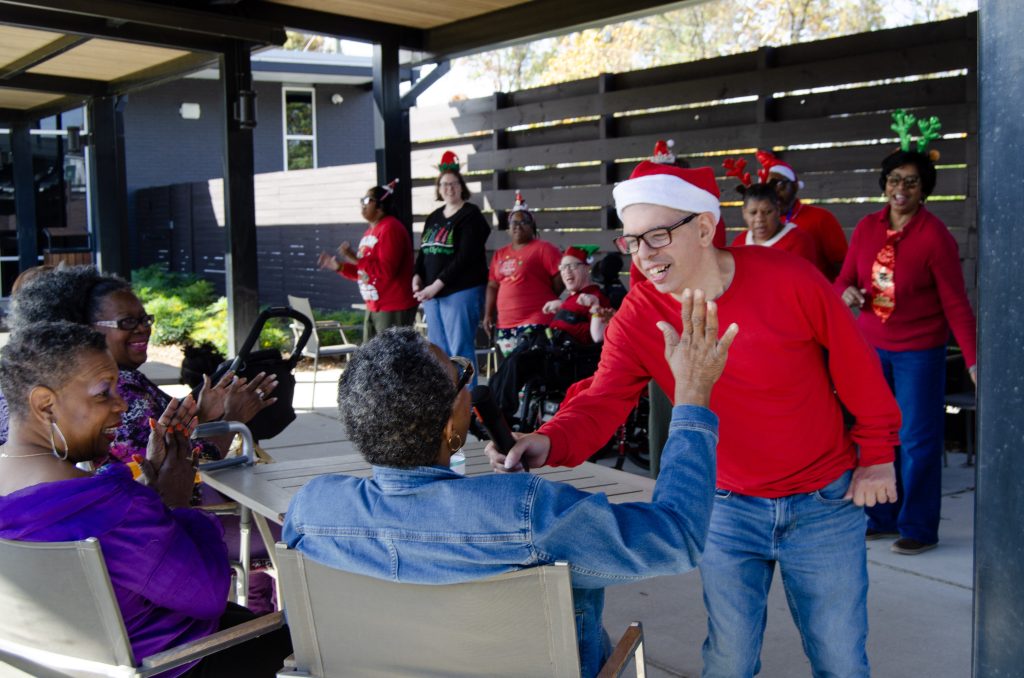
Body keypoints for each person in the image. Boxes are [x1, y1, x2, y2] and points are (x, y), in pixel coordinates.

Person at [489, 160, 902, 677]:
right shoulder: (640, 314)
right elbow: (602, 398)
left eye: (658, 235)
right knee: (728, 658)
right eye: (633, 240)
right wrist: (547, 441)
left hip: (823, 500)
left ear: (704, 228)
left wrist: (878, 456)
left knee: (839, 655)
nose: (644, 254)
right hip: (725, 505)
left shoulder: (789, 276)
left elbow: (856, 365)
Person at [284, 305, 734, 678]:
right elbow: (677, 538)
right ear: (451, 427)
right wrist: (693, 399)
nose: (468, 377)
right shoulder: (525, 514)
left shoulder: (312, 508)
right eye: (461, 376)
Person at [0, 322, 292, 678]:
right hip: (166, 664)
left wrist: (148, 484)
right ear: (45, 404)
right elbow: (207, 595)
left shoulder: (93, 500)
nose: (120, 404)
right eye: (103, 393)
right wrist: (174, 504)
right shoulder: (111, 506)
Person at [836, 142, 977, 556]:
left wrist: (972, 360)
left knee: (918, 440)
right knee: (877, 434)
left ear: (924, 190)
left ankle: (918, 526)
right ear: (885, 185)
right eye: (895, 180)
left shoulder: (935, 238)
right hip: (871, 348)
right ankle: (881, 517)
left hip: (919, 352)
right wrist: (843, 291)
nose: (901, 189)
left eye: (911, 182)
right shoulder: (865, 228)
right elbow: (840, 280)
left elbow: (956, 304)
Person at [4, 266, 274, 464]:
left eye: (145, 320)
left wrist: (200, 415)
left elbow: (153, 443)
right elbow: (183, 467)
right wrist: (233, 418)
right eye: (127, 322)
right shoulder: (120, 389)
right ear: (83, 329)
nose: (143, 329)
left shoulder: (58, 384)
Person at [413, 151, 490, 386]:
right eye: (444, 184)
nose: (449, 188)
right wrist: (417, 277)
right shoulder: (434, 217)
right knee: (438, 350)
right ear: (439, 188)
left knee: (460, 348)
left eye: (454, 183)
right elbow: (424, 251)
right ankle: (446, 401)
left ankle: (468, 403)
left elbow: (465, 257)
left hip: (460, 291)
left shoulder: (471, 215)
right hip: (432, 294)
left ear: (461, 186)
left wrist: (435, 286)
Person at [319, 179, 417, 342]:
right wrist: (339, 267)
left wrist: (355, 259)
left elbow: (386, 271)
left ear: (380, 206)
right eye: (362, 200)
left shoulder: (391, 228)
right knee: (372, 361)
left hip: (393, 306)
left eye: (367, 200)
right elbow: (365, 272)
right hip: (374, 306)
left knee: (390, 361)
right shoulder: (370, 232)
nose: (362, 204)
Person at [483, 192, 563, 356]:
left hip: (536, 320)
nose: (518, 225)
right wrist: (488, 314)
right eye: (514, 222)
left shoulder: (543, 248)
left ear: (532, 227)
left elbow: (560, 277)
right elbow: (493, 285)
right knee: (511, 372)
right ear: (508, 228)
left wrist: (544, 296)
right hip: (505, 323)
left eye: (524, 222)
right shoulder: (500, 254)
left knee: (532, 369)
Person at [756, 150, 848, 281]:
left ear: (794, 186)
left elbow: (843, 267)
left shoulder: (821, 218)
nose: (774, 192)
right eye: (767, 187)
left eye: (780, 185)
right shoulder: (759, 224)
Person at [730, 182, 825, 274]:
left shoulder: (798, 241)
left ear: (778, 209)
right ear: (744, 213)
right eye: (753, 213)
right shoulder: (739, 242)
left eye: (767, 212)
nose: (759, 219)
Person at [544, 246, 612, 345]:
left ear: (586, 268)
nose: (566, 271)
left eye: (572, 266)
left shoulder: (597, 298)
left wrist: (595, 305)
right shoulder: (573, 298)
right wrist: (562, 306)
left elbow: (598, 337)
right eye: (562, 268)